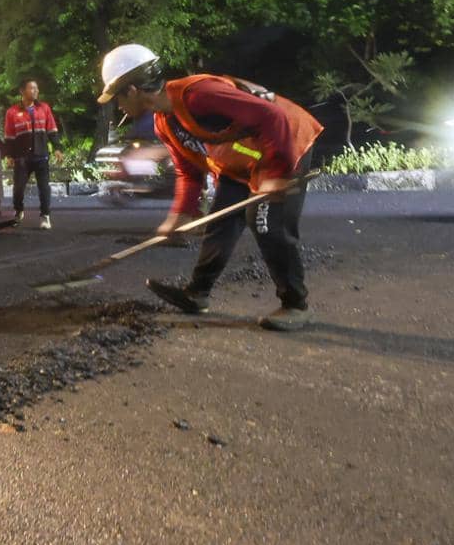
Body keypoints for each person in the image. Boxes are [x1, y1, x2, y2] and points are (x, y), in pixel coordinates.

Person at [96, 44, 323, 331]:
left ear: (132, 90)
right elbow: (187, 172)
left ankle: (295, 304)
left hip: (286, 144)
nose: (118, 107)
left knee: (265, 222)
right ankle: (197, 293)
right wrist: (179, 215)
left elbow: (272, 117)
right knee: (221, 220)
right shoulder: (163, 123)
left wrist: (278, 174)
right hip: (243, 163)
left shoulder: (199, 95)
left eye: (117, 98)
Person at [4, 79, 59, 229]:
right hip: (22, 157)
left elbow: (52, 131)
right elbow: (9, 137)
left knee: (44, 187)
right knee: (18, 188)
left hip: (41, 155)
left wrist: (58, 148)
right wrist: (9, 155)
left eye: (36, 88)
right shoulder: (12, 112)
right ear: (22, 91)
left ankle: (45, 216)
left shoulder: (44, 108)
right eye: (31, 88)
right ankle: (19, 210)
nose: (35, 91)